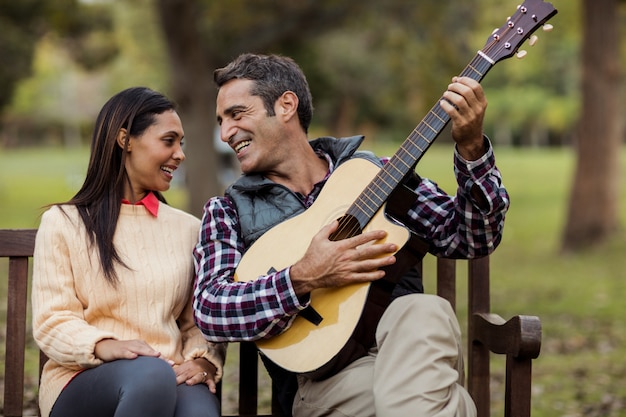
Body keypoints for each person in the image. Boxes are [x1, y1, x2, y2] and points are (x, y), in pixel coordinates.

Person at [193, 53, 510, 417]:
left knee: (424, 310)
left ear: (285, 105)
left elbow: (473, 238)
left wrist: (472, 151)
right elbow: (210, 309)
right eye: (220, 121)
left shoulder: (378, 176)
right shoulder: (228, 211)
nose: (225, 133)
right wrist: (300, 278)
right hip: (326, 382)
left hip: (409, 348)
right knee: (446, 403)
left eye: (236, 114)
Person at [32, 87, 226, 417]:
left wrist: (203, 359)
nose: (180, 154)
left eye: (182, 143)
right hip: (82, 379)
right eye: (169, 141)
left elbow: (197, 323)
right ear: (125, 139)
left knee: (199, 410)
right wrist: (106, 346)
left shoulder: (188, 229)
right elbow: (53, 321)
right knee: (151, 375)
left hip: (170, 374)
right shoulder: (63, 223)